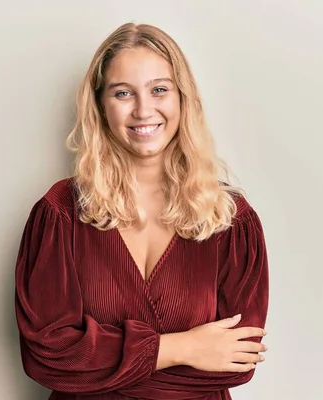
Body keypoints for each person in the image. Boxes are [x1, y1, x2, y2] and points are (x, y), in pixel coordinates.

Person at [14, 22, 269, 400]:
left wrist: (97, 363)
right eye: (123, 93)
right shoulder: (60, 214)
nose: (143, 109)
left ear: (183, 99)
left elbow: (237, 359)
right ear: (100, 105)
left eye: (160, 90)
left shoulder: (231, 219)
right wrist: (182, 349)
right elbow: (47, 356)